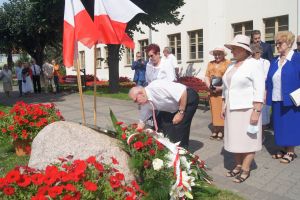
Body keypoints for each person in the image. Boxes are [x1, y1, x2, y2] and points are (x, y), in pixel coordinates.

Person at [221, 34, 265, 183]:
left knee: (248, 140)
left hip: (248, 110)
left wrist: (257, 111)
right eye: (232, 48)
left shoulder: (254, 64)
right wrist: (224, 104)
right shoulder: (231, 65)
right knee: (234, 140)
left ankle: (246, 169)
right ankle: (238, 165)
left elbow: (260, 89)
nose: (232, 51)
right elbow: (227, 88)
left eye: (235, 48)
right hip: (232, 109)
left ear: (245, 50)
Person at [129, 79, 199, 149]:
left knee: (180, 126)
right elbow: (142, 120)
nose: (137, 103)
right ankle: (170, 148)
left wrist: (180, 113)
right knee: (164, 126)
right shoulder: (145, 102)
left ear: (141, 93)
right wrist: (135, 134)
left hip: (187, 97)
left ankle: (182, 151)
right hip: (174, 106)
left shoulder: (156, 87)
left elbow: (182, 92)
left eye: (135, 100)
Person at [265, 31, 300, 163]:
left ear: (289, 43)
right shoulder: (275, 61)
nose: (277, 45)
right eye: (276, 43)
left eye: (280, 43)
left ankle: (290, 151)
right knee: (280, 126)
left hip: (292, 100)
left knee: (290, 125)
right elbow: (269, 80)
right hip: (276, 99)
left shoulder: (297, 59)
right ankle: (284, 149)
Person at [205, 47, 230, 140]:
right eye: (215, 54)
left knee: (221, 111)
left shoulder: (228, 63)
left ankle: (222, 131)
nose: (217, 56)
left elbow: (229, 78)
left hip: (222, 91)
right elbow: (206, 76)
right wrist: (209, 87)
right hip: (212, 92)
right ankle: (215, 129)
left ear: (223, 54)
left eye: (219, 54)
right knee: (214, 112)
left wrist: (220, 88)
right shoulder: (210, 63)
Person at [250, 44, 271, 133]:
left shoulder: (265, 62)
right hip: (251, 91)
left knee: (262, 114)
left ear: (261, 52)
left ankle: (262, 135)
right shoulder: (249, 62)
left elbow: (265, 76)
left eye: (258, 52)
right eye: (254, 52)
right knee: (252, 113)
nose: (256, 54)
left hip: (262, 90)